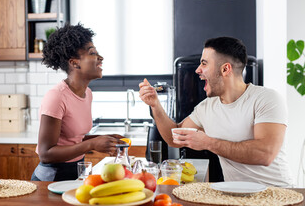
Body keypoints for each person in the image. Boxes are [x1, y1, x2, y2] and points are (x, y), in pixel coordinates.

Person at [139, 37, 294, 187]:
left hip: (278, 195)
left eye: (204, 64)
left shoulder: (266, 99)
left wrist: (207, 143)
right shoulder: (207, 107)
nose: (198, 70)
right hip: (235, 197)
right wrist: (155, 105)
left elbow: (264, 154)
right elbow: (176, 137)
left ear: (225, 69)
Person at [31, 23, 124, 181]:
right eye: (92, 53)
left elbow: (73, 139)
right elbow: (46, 154)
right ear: (74, 63)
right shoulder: (56, 96)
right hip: (51, 178)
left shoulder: (87, 93)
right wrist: (92, 145)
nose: (100, 57)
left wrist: (101, 139)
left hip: (75, 174)